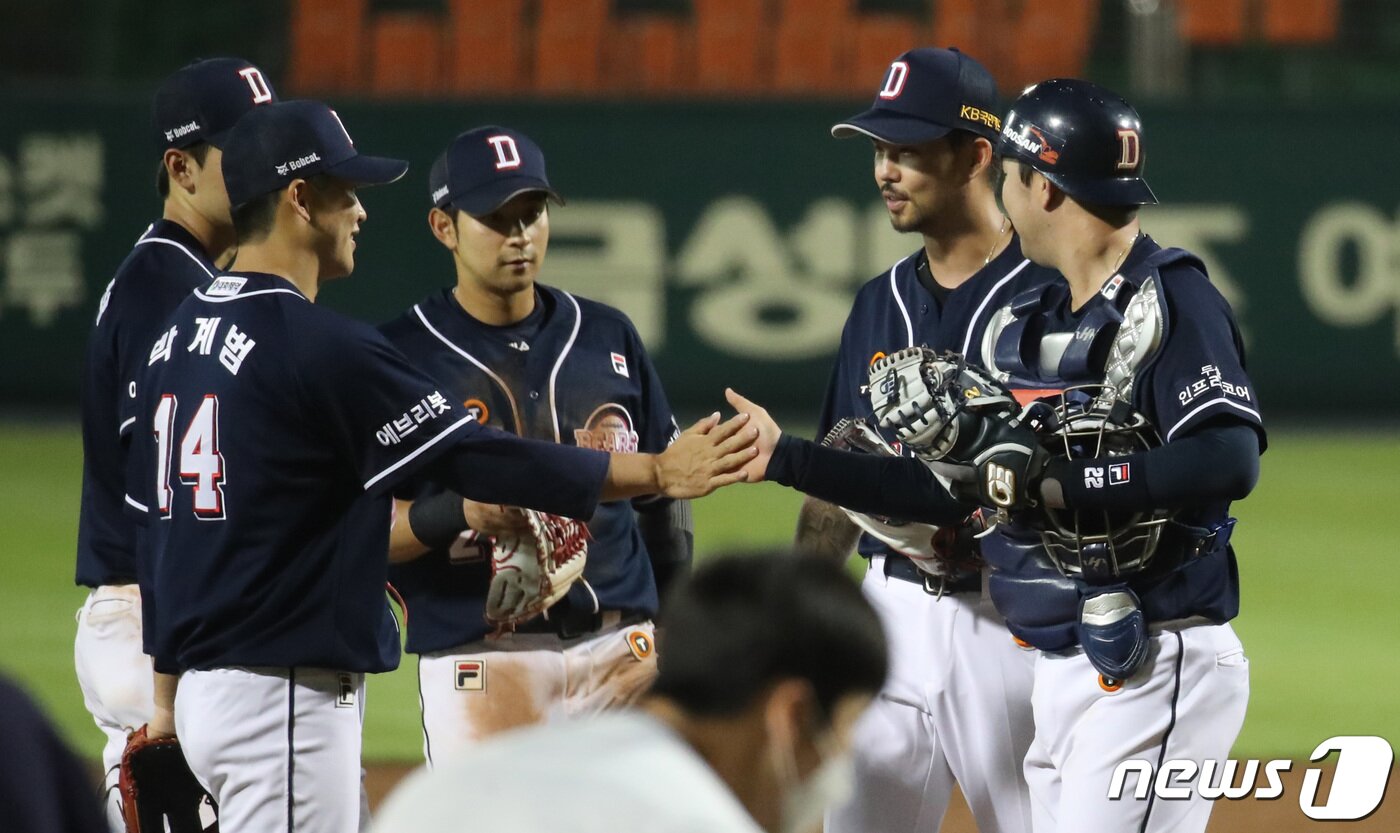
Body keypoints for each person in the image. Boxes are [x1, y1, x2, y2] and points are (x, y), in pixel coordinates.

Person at [124, 99, 757, 833]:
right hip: (284, 692)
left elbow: (157, 534)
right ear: (300, 198)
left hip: (212, 688)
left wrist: (164, 707)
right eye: (348, 193)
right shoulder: (318, 342)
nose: (360, 213)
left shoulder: (179, 336)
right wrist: (654, 473)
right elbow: (474, 456)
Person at [726, 78, 1261, 833]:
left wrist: (1066, 484)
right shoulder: (1038, 319)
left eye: (1010, 176)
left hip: (1157, 645)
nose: (1004, 194)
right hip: (1059, 654)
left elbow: (1230, 459)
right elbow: (952, 489)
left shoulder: (1169, 294)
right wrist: (789, 458)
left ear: (1043, 187)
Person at [794, 47, 1055, 833]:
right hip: (890, 610)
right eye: (879, 150)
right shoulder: (877, 303)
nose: (885, 171)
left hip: (1009, 617)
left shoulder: (1051, 295)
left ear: (977, 154)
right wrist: (802, 616)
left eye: (906, 151)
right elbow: (838, 472)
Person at [380, 126, 691, 762]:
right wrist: (460, 513)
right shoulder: (396, 359)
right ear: (444, 228)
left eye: (532, 213)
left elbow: (664, 498)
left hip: (621, 652)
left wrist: (681, 623)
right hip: (483, 660)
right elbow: (362, 529)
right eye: (497, 218)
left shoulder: (608, 333)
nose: (520, 234)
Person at [73, 56, 276, 830]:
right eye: (241, 147)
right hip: (156, 620)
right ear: (180, 168)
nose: (265, 162)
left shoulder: (187, 274)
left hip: (170, 616)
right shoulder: (165, 286)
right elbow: (168, 485)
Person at [371, 552, 888, 833]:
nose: (838, 774)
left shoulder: (452, 784)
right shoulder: (696, 819)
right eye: (844, 729)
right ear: (790, 714)